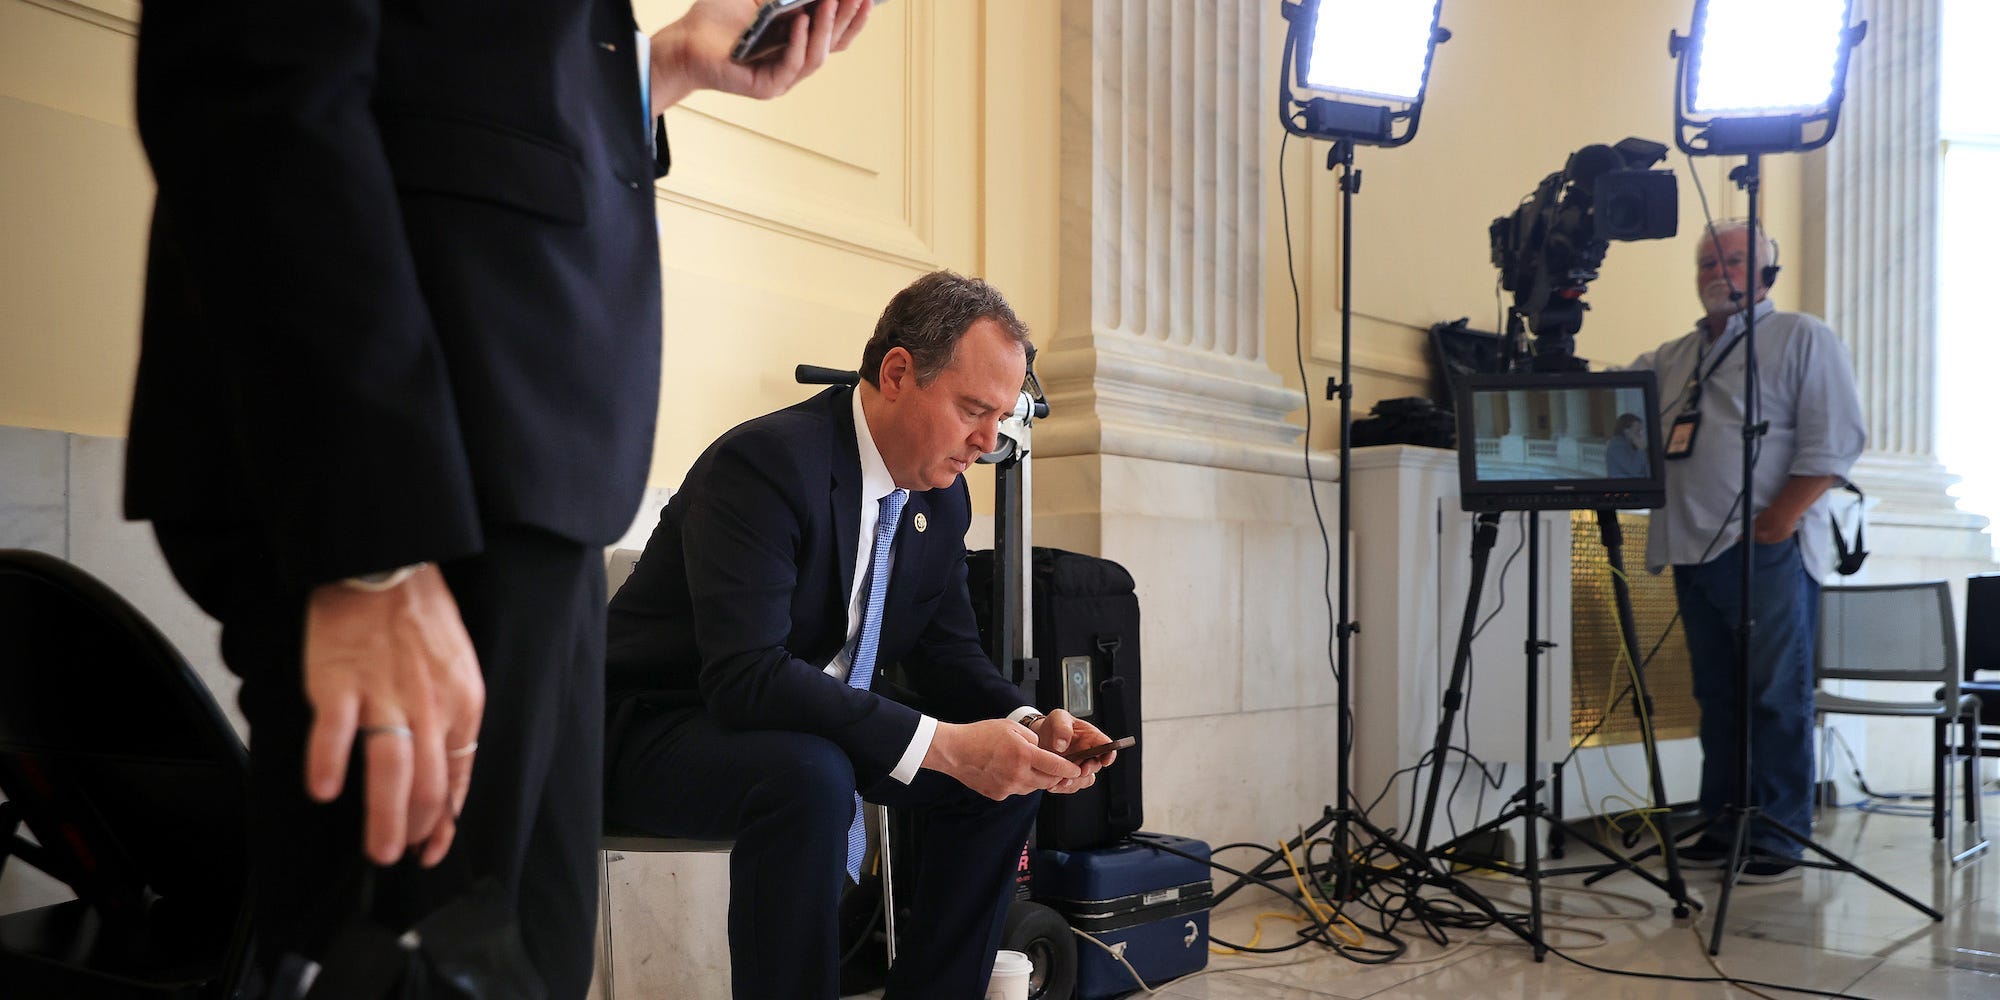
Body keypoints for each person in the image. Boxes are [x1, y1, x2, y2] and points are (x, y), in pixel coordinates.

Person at [125, 1, 875, 995]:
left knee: (518, 964)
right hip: (421, 465)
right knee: (399, 957)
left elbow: (486, 66)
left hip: (536, 473)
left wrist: (656, 72)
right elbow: (253, 61)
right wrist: (372, 544)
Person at [604, 271, 1117, 999]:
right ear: (898, 372)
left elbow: (947, 655)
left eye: (1000, 418)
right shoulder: (768, 464)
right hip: (649, 730)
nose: (987, 440)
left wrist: (1027, 725)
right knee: (810, 774)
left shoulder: (939, 499)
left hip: (803, 729)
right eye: (974, 409)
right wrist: (944, 745)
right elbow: (745, 675)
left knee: (1003, 782)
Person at [1625, 219, 1865, 884]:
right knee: (1718, 697)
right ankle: (1723, 821)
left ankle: (1780, 831)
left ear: (1765, 272)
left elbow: (1836, 440)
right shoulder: (1673, 355)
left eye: (1732, 260)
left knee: (1773, 695)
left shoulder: (1800, 337)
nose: (1717, 273)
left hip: (1762, 547)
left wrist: (1779, 519)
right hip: (1689, 548)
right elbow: (1618, 408)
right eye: (1706, 262)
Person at [1605, 412, 1649, 479]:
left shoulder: (1632, 444)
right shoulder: (1616, 447)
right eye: (1637, 430)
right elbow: (1635, 470)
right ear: (1626, 430)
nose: (1640, 434)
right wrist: (1641, 449)